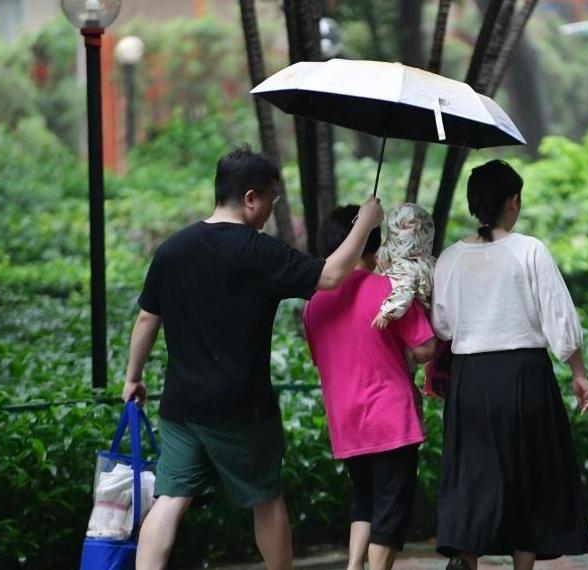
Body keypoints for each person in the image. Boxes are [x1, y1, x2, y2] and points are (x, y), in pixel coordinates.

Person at [120, 148, 384, 570]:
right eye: (271, 200)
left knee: (170, 500)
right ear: (249, 198)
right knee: (266, 500)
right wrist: (366, 224)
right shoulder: (260, 252)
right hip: (241, 408)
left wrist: (132, 378)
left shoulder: (173, 249)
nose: (270, 210)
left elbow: (148, 317)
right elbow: (331, 276)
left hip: (182, 405)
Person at [431, 160, 588, 570]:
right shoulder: (530, 250)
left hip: (470, 380)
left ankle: (465, 559)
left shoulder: (451, 259)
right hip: (524, 375)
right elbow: (559, 316)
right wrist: (578, 372)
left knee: (473, 476)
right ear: (513, 202)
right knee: (529, 475)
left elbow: (442, 325)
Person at [302, 205, 437, 570]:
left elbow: (324, 358)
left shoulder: (314, 305)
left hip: (346, 421)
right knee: (391, 508)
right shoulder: (389, 290)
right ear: (373, 243)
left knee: (365, 498)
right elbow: (424, 349)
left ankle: (353, 566)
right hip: (390, 418)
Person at [370, 203, 437, 330]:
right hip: (432, 318)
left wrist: (386, 313)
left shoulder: (404, 266)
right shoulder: (430, 262)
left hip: (418, 320)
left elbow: (404, 290)